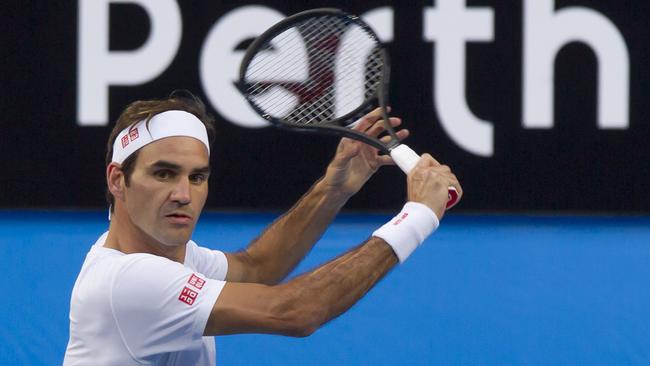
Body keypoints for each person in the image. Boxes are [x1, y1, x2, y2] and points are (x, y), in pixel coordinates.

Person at [63, 92, 462, 365]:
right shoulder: (129, 281)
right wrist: (418, 216)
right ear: (118, 180)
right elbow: (296, 311)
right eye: (164, 174)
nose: (183, 194)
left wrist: (333, 188)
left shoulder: (159, 254)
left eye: (197, 177)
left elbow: (257, 267)